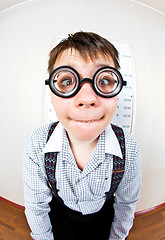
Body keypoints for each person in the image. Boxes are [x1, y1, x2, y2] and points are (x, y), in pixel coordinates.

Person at [23, 31, 141, 240]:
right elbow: (36, 206)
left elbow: (125, 204)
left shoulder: (129, 147)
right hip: (59, 216)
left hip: (103, 218)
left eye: (104, 80)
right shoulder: (36, 143)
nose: (87, 98)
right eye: (67, 81)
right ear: (52, 91)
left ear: (118, 89)